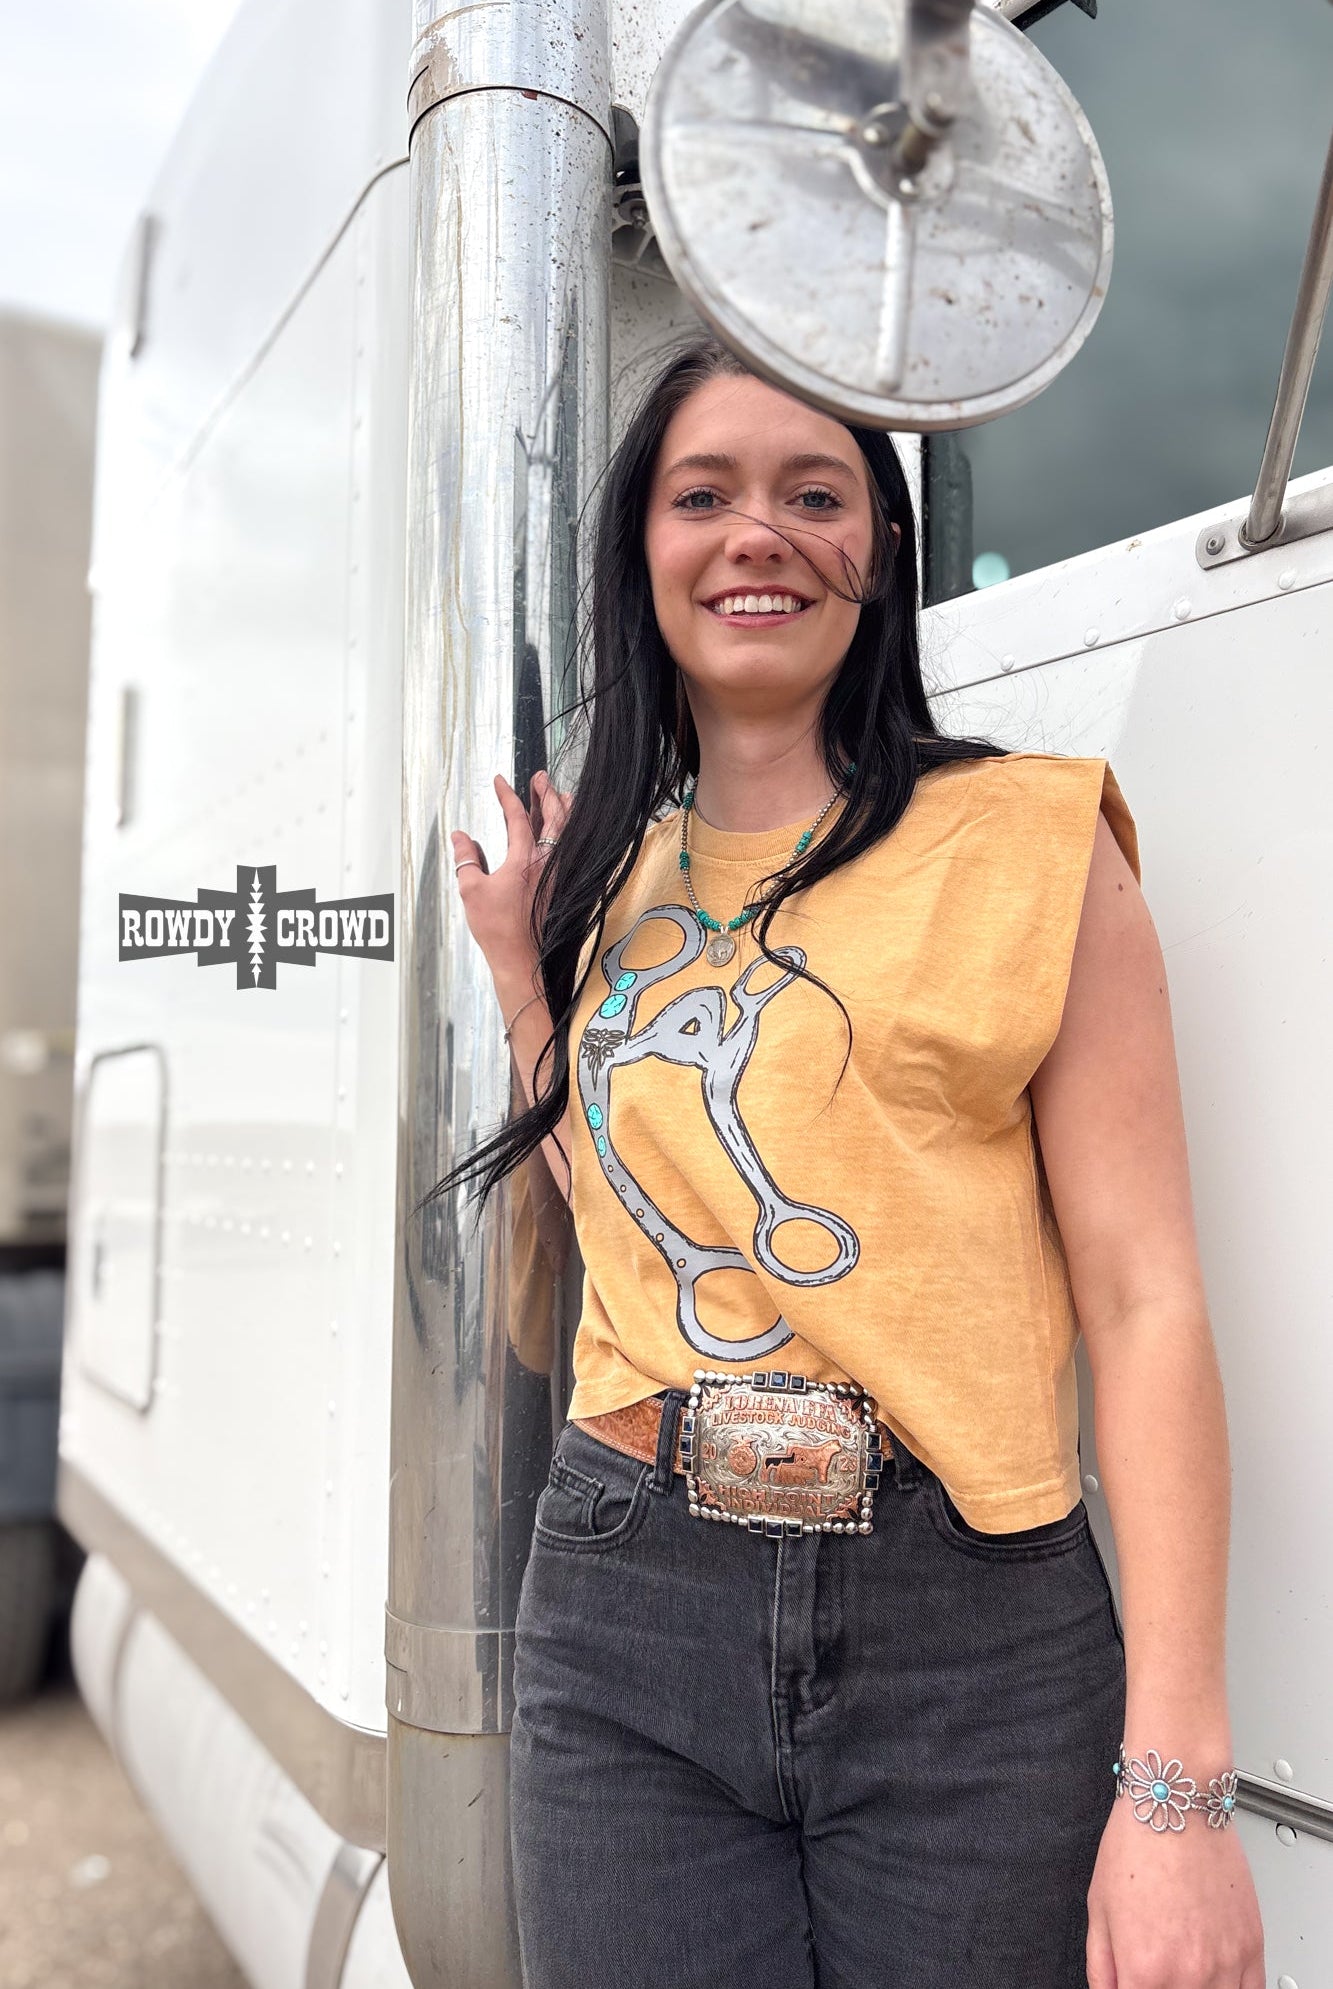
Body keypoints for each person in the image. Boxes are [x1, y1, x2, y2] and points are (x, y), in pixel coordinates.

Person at [440, 336, 1266, 1988]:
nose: (757, 532)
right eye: (703, 496)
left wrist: (1174, 1789)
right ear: (643, 551)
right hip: (628, 1603)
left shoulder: (1032, 841)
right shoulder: (608, 883)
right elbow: (621, 1227)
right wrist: (530, 981)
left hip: (966, 1637)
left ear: (877, 553)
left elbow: (1143, 1300)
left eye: (812, 496)